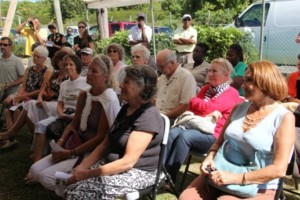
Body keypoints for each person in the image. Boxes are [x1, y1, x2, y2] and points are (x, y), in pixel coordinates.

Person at [179, 60, 295, 200]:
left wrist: (236, 178)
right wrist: (210, 157)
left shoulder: (283, 118)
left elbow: (279, 169)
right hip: (221, 174)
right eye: (244, 80)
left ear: (267, 83)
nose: (243, 85)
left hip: (258, 185)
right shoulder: (239, 108)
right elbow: (219, 142)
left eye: (249, 81)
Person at [64, 65, 163, 199]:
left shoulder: (147, 116)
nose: (121, 85)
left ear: (142, 88)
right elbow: (105, 144)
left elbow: (128, 162)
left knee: (78, 191)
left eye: (126, 82)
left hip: (138, 172)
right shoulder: (127, 108)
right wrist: (83, 167)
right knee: (70, 180)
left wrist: (87, 174)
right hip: (118, 165)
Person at [26, 55, 120, 191]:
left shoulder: (108, 99)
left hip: (91, 151)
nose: (89, 74)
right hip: (76, 142)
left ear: (105, 77)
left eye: (94, 71)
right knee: (34, 170)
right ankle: (69, 185)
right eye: (89, 70)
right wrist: (60, 143)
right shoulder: (85, 94)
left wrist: (70, 153)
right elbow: (73, 124)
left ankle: (80, 189)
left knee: (46, 177)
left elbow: (101, 137)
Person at [165, 58, 242, 183]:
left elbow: (207, 107)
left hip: (215, 135)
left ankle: (169, 178)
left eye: (214, 71)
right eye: (209, 70)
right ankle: (160, 173)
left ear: (226, 75)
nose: (210, 74)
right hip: (196, 126)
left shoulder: (231, 93)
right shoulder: (206, 89)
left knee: (185, 137)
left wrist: (203, 106)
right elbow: (192, 103)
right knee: (172, 133)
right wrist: (205, 107)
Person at [30, 54, 89, 162]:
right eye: (66, 64)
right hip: (63, 114)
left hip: (78, 116)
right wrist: (61, 113)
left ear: (77, 66)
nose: (68, 67)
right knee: (40, 125)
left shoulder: (85, 82)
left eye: (71, 64)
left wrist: (73, 116)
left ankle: (57, 154)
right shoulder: (64, 84)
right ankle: (37, 160)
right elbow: (60, 103)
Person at [4, 46, 52, 130]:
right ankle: (11, 136)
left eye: (38, 56)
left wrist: (23, 97)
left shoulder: (47, 71)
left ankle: (11, 135)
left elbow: (42, 90)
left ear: (44, 59)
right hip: (25, 95)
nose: (35, 58)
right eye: (34, 56)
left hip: (35, 97)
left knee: (17, 110)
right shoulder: (29, 69)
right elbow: (23, 86)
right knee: (8, 110)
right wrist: (18, 96)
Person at [156, 49, 197, 123]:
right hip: (158, 116)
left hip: (174, 119)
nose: (160, 69)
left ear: (172, 62)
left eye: (162, 66)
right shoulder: (162, 78)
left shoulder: (185, 76)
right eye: (158, 67)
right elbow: (156, 99)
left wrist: (165, 116)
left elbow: (185, 105)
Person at [0, 37, 25, 108]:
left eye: (5, 45)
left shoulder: (17, 60)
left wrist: (10, 84)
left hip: (13, 92)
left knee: (7, 102)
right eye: (0, 44)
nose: (2, 46)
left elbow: (23, 77)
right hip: (1, 90)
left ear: (11, 46)